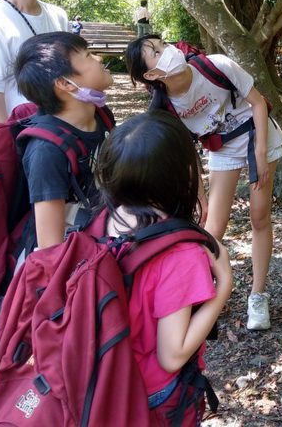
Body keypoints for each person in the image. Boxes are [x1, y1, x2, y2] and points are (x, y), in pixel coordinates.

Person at [125, 36, 282, 330]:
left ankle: (258, 295)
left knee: (259, 216)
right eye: (157, 53)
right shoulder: (165, 108)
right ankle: (200, 293)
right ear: (151, 75)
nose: (169, 51)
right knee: (211, 228)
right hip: (222, 149)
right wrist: (200, 197)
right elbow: (187, 154)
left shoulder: (216, 65)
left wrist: (260, 155)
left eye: (163, 45)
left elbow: (259, 103)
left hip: (259, 138)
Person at [96, 111, 232, 424]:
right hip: (152, 392)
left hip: (104, 377)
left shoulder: (104, 219)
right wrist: (223, 285)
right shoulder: (181, 253)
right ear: (184, 175)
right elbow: (172, 354)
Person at [14, 32, 115, 249]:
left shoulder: (101, 115)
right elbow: (49, 248)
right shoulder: (46, 152)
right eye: (88, 55)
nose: (99, 58)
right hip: (71, 262)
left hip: (101, 236)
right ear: (65, 83)